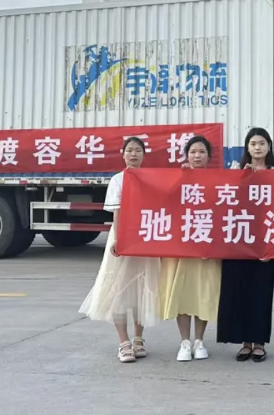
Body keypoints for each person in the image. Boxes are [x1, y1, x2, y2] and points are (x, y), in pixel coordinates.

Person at [79, 136, 161, 363]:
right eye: (130, 150)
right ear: (123, 154)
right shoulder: (118, 180)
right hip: (123, 237)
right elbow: (117, 211)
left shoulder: (151, 179)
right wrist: (119, 238)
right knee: (119, 290)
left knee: (142, 289)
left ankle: (138, 339)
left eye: (138, 150)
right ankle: (124, 342)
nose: (133, 154)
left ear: (144, 155)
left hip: (145, 238)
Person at [216, 127, 274, 362]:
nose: (257, 147)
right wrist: (240, 177)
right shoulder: (236, 171)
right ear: (247, 148)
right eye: (253, 144)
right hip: (239, 239)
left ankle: (259, 342)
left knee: (261, 291)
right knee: (239, 289)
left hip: (265, 241)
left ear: (269, 147)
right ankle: (245, 342)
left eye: (262, 143)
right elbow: (223, 202)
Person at [159, 135, 223, 361]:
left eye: (202, 152)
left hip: (207, 246)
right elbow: (164, 204)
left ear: (209, 157)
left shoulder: (219, 181)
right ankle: (184, 342)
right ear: (186, 155)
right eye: (193, 152)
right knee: (182, 293)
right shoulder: (178, 178)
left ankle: (199, 340)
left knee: (203, 292)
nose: (197, 156)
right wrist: (181, 178)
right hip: (182, 247)